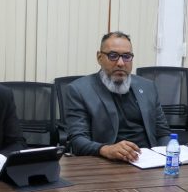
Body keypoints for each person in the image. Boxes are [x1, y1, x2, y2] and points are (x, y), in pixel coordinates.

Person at [65, 31, 171, 161]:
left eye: (127, 56)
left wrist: (166, 157)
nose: (121, 63)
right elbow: (77, 140)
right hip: (107, 162)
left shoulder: (148, 87)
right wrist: (106, 150)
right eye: (113, 56)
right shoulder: (79, 90)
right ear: (99, 57)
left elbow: (162, 133)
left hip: (148, 161)